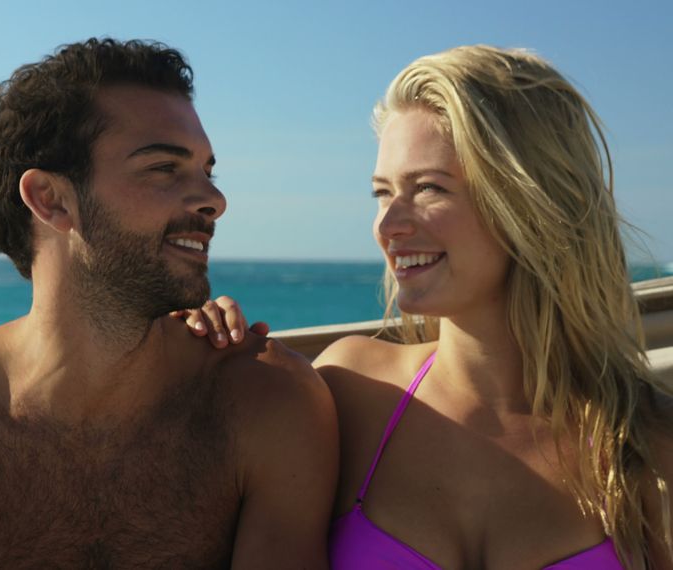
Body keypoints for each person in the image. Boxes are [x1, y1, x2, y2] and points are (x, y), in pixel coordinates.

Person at [0, 38, 337, 569]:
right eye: (164, 167)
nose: (215, 199)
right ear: (50, 199)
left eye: (207, 170)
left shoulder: (266, 402)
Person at [189, 45, 673, 568]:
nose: (387, 224)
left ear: (532, 203)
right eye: (382, 193)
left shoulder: (648, 442)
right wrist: (208, 356)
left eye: (427, 188)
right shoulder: (349, 393)